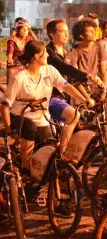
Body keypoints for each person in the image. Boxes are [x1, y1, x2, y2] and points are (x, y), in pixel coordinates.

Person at [0, 41, 89, 173]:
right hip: (20, 117)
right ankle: (26, 170)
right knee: (30, 127)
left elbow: (66, 86)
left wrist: (84, 99)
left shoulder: (49, 70)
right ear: (36, 56)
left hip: (42, 119)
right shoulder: (19, 78)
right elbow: (5, 105)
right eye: (45, 53)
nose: (48, 55)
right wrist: (9, 130)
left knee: (48, 153)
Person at [46, 19, 101, 152]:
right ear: (52, 34)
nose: (66, 34)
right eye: (62, 31)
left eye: (67, 31)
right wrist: (87, 76)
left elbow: (71, 80)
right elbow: (64, 68)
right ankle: (61, 153)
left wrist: (86, 97)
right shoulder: (47, 52)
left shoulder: (67, 52)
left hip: (66, 95)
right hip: (50, 97)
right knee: (73, 116)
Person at [69, 19, 107, 86]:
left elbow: (104, 73)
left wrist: (103, 90)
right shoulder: (74, 51)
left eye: (94, 30)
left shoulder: (99, 47)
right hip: (81, 87)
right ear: (81, 35)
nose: (94, 33)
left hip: (96, 86)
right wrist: (86, 96)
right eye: (90, 31)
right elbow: (75, 75)